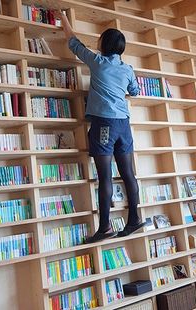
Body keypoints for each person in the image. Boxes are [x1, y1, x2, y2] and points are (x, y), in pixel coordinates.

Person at [57, 11, 145, 243]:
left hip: (104, 124)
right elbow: (135, 92)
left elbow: (73, 43)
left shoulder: (97, 62)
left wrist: (63, 17)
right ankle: (134, 219)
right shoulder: (127, 69)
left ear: (103, 45)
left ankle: (105, 227)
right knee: (128, 173)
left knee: (105, 177)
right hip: (124, 124)